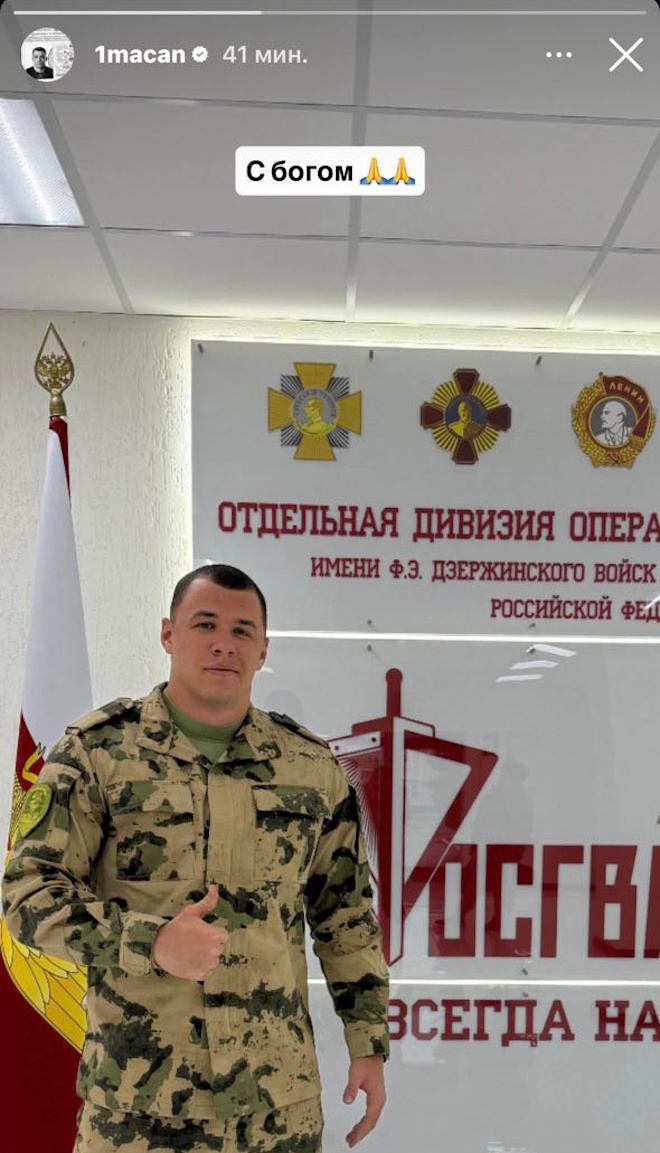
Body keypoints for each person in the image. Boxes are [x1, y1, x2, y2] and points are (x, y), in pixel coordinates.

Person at [2, 564, 389, 1153]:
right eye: (205, 624)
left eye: (242, 631)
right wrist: (150, 942)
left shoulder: (310, 769)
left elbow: (347, 917)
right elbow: (28, 893)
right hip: (138, 1108)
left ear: (263, 649)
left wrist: (367, 1042)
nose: (223, 644)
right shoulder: (98, 753)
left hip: (275, 1109)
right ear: (168, 634)